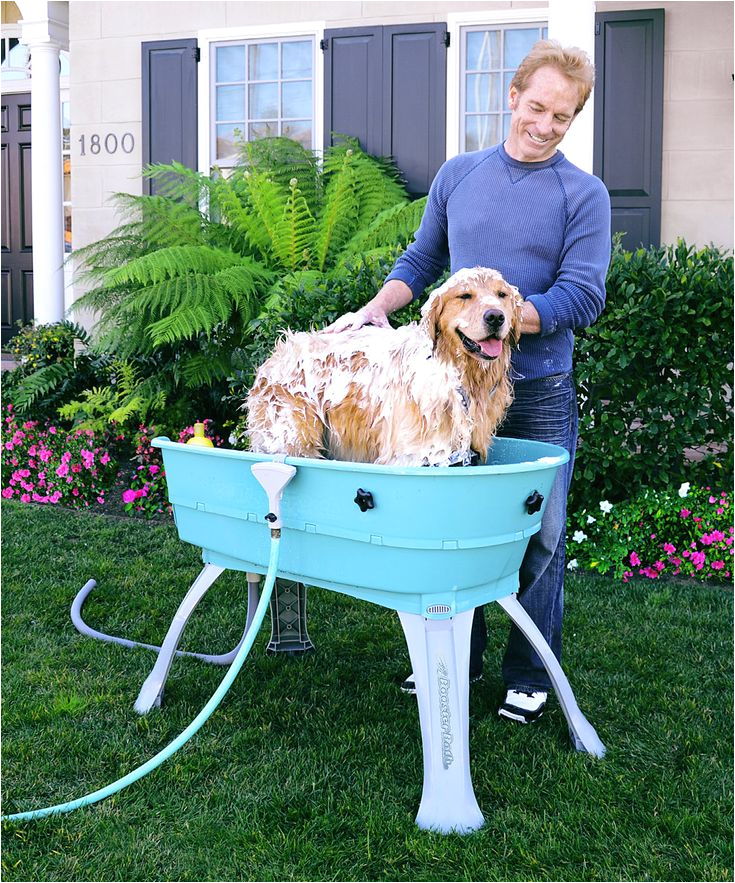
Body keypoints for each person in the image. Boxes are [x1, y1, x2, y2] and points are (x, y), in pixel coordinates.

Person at [327, 39, 611, 724]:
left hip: (537, 391)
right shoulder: (460, 174)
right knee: (451, 529)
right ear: (511, 96)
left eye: (562, 117)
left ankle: (528, 671)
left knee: (537, 533)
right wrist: (373, 311)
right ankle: (458, 655)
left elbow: (583, 294)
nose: (544, 124)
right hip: (448, 395)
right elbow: (422, 257)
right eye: (536, 107)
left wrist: (500, 321)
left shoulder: (584, 194)